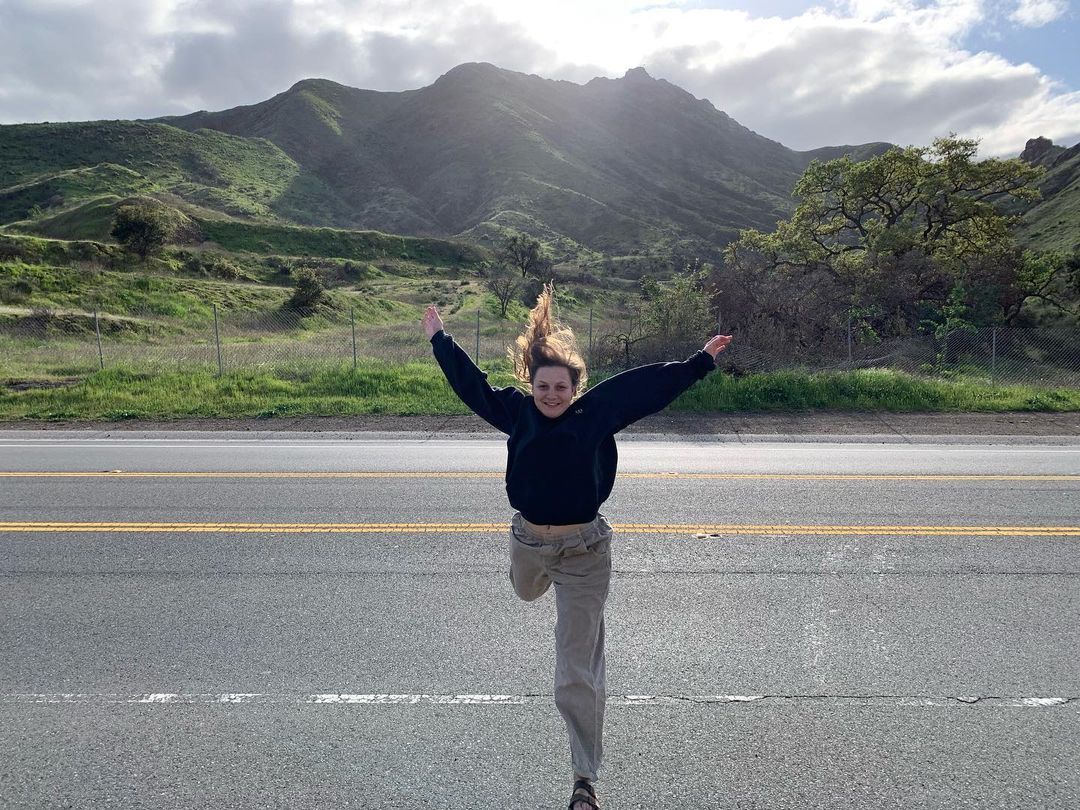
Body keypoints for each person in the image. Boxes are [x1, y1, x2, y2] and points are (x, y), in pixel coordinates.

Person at [422, 284, 731, 810]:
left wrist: (700, 361)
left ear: (574, 387)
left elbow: (647, 389)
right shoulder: (516, 412)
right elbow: (471, 385)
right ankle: (537, 578)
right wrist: (439, 340)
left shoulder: (596, 413)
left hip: (585, 552)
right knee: (525, 592)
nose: (551, 395)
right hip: (528, 542)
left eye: (560, 387)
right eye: (543, 387)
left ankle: (584, 781)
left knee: (574, 670)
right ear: (532, 384)